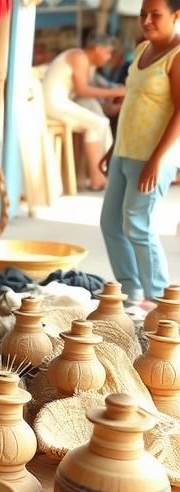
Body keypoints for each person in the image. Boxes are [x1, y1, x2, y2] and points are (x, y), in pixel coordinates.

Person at [99, 0, 180, 312]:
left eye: (155, 15)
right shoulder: (144, 48)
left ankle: (162, 301)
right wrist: (112, 147)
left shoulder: (176, 55)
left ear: (175, 15)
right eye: (143, 14)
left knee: (137, 224)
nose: (146, 20)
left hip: (154, 156)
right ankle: (132, 293)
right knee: (110, 222)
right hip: (124, 151)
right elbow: (133, 102)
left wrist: (157, 160)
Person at [42, 32, 128, 191]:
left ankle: (105, 172)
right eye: (108, 52)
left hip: (59, 102)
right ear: (97, 49)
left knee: (100, 119)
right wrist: (113, 93)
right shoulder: (79, 56)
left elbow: (87, 93)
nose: (109, 57)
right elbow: (82, 90)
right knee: (98, 123)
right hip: (53, 103)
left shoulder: (86, 62)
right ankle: (97, 178)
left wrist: (108, 99)